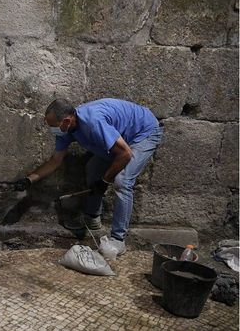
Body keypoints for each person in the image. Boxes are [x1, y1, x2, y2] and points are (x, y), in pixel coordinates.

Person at [13, 98, 164, 256]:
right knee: (92, 168)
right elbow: (55, 161)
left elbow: (125, 154)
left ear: (66, 120)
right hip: (121, 139)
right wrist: (29, 180)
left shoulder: (92, 122)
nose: (51, 130)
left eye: (52, 126)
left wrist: (105, 181)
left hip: (144, 132)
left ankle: (118, 240)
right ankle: (92, 219)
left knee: (122, 181)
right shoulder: (66, 130)